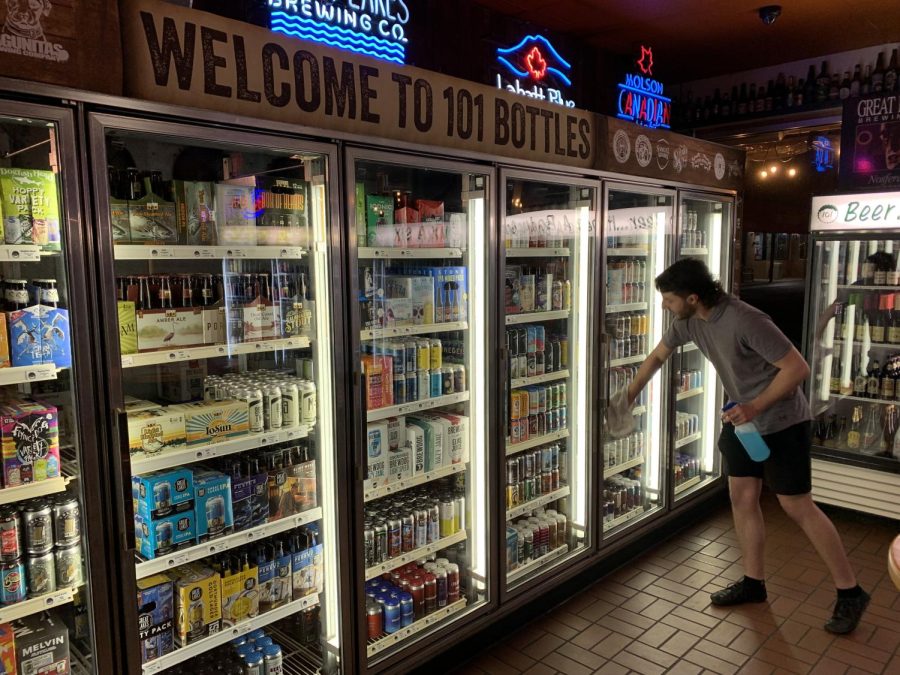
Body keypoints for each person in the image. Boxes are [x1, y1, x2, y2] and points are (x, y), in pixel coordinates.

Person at [626, 258, 869, 634]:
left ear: (692, 297)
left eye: (669, 300)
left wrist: (754, 405)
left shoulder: (745, 319)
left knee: (797, 506)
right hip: (742, 424)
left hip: (783, 422)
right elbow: (658, 356)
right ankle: (754, 584)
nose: (664, 306)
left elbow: (798, 368)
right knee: (742, 498)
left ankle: (850, 591)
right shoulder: (688, 321)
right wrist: (625, 397)